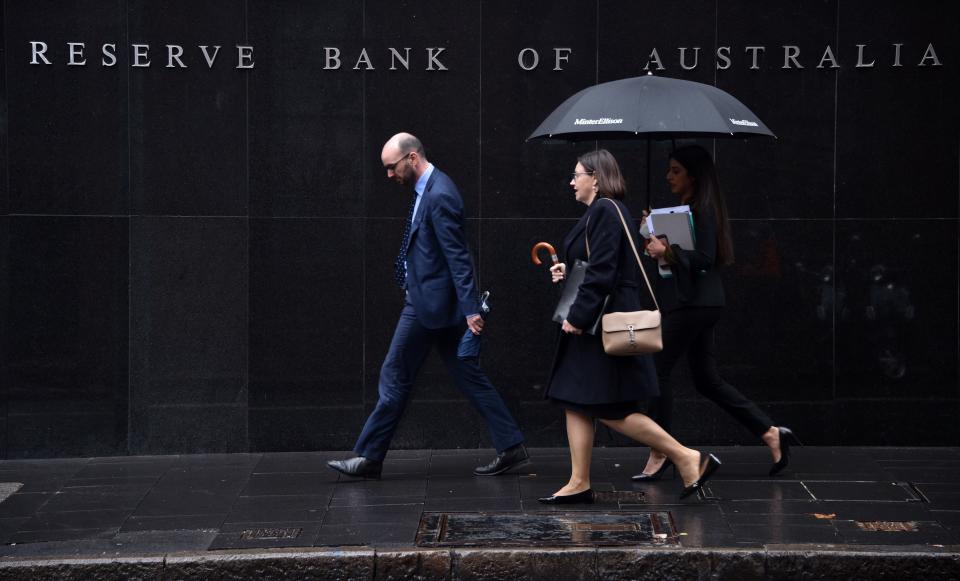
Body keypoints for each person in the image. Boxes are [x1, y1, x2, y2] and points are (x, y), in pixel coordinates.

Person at [327, 133, 528, 479]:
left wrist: (471, 309)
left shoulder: (440, 194)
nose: (389, 175)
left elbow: (459, 257)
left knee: (394, 374)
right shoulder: (428, 189)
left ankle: (369, 456)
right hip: (436, 304)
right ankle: (511, 445)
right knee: (468, 375)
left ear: (413, 158)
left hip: (427, 307)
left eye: (392, 168)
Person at [539, 149, 720, 504]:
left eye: (577, 174)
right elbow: (596, 266)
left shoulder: (606, 210)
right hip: (594, 322)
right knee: (574, 399)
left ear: (596, 177)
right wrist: (568, 272)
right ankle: (579, 481)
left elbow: (605, 273)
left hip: (599, 325)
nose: (572, 181)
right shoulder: (599, 213)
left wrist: (577, 317)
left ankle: (687, 457)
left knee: (610, 409)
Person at [638, 144, 800, 481]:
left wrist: (665, 249)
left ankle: (662, 450)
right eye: (668, 170)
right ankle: (771, 433)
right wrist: (651, 233)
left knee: (656, 369)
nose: (669, 176)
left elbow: (705, 258)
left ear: (694, 176)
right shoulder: (686, 209)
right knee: (707, 380)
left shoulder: (703, 209)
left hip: (696, 305)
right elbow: (681, 257)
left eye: (676, 171)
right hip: (697, 304)